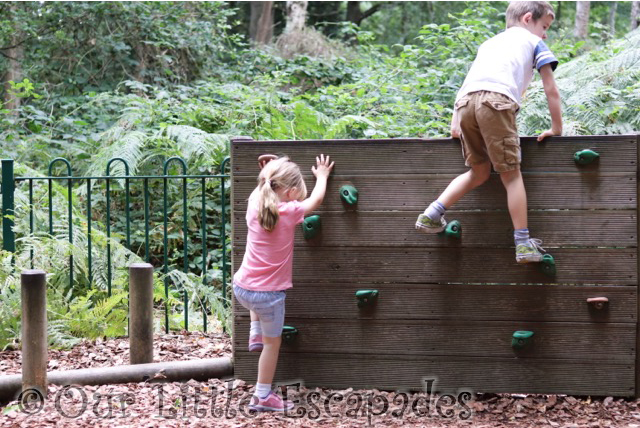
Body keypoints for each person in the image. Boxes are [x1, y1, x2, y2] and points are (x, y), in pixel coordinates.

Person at [415, 1, 562, 264]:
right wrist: (556, 128)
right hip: (496, 102)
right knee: (511, 175)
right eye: (544, 26)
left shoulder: (490, 43)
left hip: (465, 105)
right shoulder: (533, 43)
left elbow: (469, 82)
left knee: (479, 171)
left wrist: (455, 121)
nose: (545, 33)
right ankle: (523, 243)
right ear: (528, 18)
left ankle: (432, 213)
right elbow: (550, 88)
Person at [233, 153, 334, 412]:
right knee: (272, 344)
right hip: (269, 296)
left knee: (255, 298)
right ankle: (263, 395)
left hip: (242, 288)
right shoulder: (289, 212)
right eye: (297, 193)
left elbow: (266, 182)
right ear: (289, 193)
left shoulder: (255, 201)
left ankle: (255, 332)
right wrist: (322, 176)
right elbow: (317, 199)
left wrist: (273, 166)